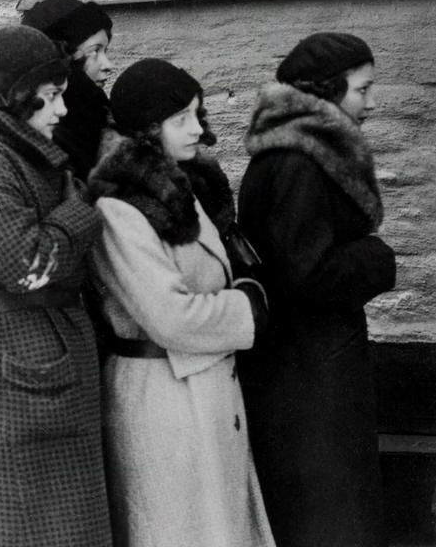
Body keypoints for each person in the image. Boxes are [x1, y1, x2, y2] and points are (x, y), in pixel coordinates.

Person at [88, 58, 274, 547]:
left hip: (202, 394)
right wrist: (246, 308)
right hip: (161, 402)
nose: (197, 129)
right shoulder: (120, 208)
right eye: (180, 118)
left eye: (197, 113)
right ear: (147, 131)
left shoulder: (182, 189)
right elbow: (169, 317)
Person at [0, 25, 110, 547]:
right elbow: (25, 264)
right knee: (27, 527)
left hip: (40, 356)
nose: (62, 110)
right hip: (14, 363)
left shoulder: (20, 151)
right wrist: (84, 211)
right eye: (52, 95)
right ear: (15, 96)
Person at [237, 33, 396, 547]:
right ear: (328, 90)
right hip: (307, 377)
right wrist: (377, 258)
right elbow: (304, 274)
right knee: (329, 515)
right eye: (362, 90)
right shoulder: (300, 162)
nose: (371, 102)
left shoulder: (299, 154)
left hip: (310, 368)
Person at [21, 0, 115, 180]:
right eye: (94, 51)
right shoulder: (49, 134)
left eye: (105, 51)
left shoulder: (96, 113)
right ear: (65, 59)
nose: (108, 65)